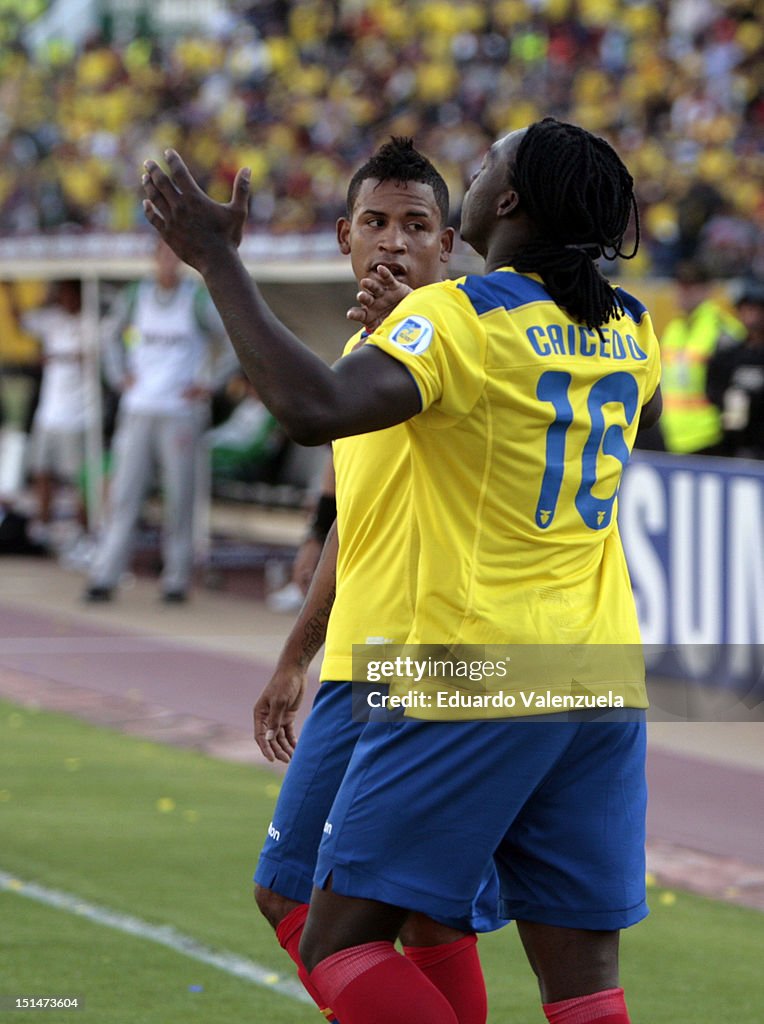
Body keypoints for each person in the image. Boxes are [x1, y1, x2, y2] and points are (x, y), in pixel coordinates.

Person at [142, 116, 662, 1024]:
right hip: (598, 672)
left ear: (502, 203)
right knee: (584, 984)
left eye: (489, 158)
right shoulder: (634, 330)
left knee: (339, 939)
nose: (477, 163)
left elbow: (310, 408)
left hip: (463, 661)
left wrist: (219, 263)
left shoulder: (453, 320)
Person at [253, 138, 501, 1024]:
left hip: (432, 667)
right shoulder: (367, 355)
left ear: (450, 246)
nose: (392, 242)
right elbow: (352, 528)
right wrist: (294, 657)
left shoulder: (470, 345)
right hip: (365, 663)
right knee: (424, 917)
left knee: (303, 904)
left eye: (416, 225)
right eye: (375, 222)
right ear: (343, 237)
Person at [83, 239, 235, 603]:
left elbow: (231, 341)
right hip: (139, 408)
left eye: (174, 256)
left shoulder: (196, 298)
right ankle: (106, 573)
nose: (168, 262)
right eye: (162, 255)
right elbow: (108, 337)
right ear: (153, 259)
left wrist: (208, 383)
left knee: (180, 497)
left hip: (180, 412)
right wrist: (119, 376)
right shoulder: (137, 295)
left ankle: (176, 579)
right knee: (124, 494)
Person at [19, 280, 89, 541]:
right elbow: (22, 322)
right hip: (49, 412)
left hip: (79, 415)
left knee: (79, 478)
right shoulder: (52, 319)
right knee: (41, 469)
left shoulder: (91, 322)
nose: (65, 299)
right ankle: (43, 523)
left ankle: (84, 529)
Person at [659, 259, 743, 455]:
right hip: (672, 436)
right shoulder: (674, 329)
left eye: (691, 286)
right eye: (680, 285)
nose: (684, 292)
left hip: (710, 438)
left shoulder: (724, 331)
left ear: (707, 289)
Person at [706, 278, 764, 459]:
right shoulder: (729, 355)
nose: (750, 316)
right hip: (733, 442)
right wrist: (728, 399)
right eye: (746, 309)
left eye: (755, 310)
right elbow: (712, 387)